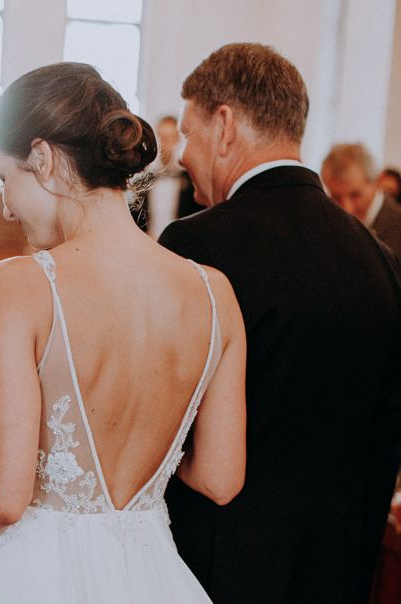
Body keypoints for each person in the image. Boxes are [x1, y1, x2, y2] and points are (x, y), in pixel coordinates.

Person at [0, 62, 247, 603]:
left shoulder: (16, 287)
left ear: (43, 157)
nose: (6, 207)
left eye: (4, 179)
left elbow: (3, 496)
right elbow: (221, 478)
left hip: (40, 576)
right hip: (154, 576)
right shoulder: (214, 292)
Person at [158, 43, 401, 604]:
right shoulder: (378, 260)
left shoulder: (197, 245)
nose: (182, 156)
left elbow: (165, 423)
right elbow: (385, 441)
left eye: (189, 135)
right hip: (336, 571)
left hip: (214, 570)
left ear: (224, 126)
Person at [321, 143, 401, 260]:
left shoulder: (397, 226)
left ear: (377, 182)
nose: (347, 208)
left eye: (355, 195)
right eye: (336, 197)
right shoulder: (327, 224)